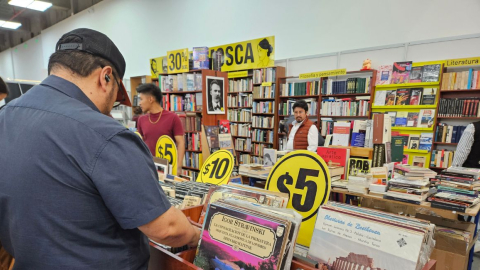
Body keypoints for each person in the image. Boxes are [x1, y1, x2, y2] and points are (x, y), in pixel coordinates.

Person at [0, 28, 200, 270]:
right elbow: (166, 228)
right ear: (105, 77)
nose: (110, 108)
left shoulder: (6, 116)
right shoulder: (104, 133)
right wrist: (197, 237)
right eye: (116, 95)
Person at [136, 83, 185, 173]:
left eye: (141, 99)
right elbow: (140, 143)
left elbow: (180, 142)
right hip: (147, 167)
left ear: (151, 99)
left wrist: (178, 166)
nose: (139, 103)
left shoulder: (173, 118)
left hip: (167, 168)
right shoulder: (141, 119)